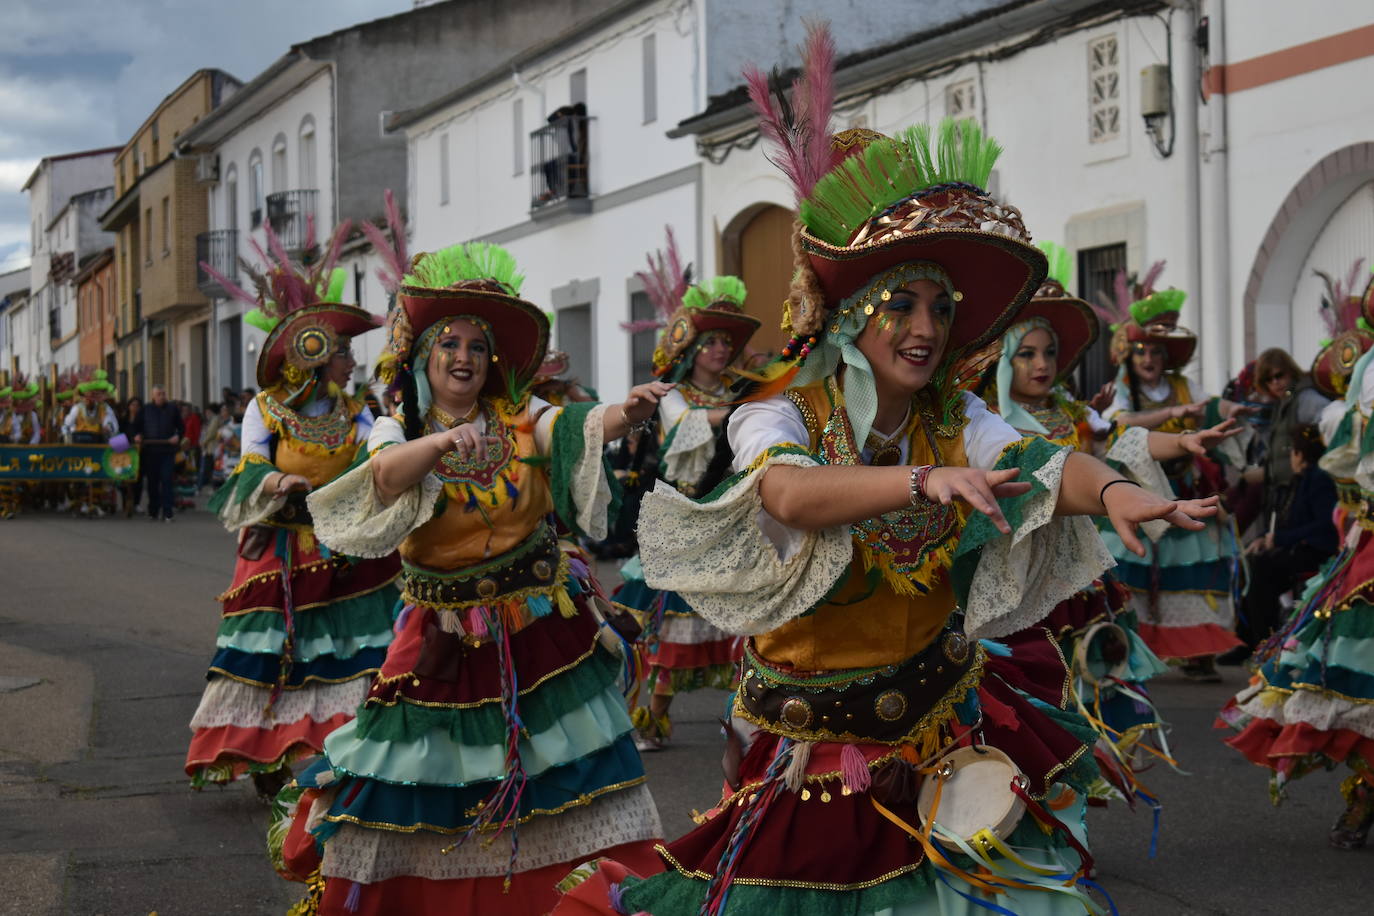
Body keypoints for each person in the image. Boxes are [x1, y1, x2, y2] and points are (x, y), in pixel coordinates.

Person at [565, 42, 1220, 912]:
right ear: (847, 318)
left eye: (942, 309)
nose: (927, 328)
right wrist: (920, 485)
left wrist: (1118, 494)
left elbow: (1040, 461)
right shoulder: (783, 412)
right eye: (902, 305)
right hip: (818, 742)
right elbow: (791, 494)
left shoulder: (955, 420)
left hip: (943, 717)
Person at [272, 241, 665, 916]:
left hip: (542, 631)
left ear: (493, 363)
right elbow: (388, 476)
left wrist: (624, 413)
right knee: (421, 780)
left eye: (477, 347)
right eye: (448, 344)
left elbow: (572, 427)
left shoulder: (521, 419)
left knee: (563, 773)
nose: (463, 357)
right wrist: (441, 444)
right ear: (423, 358)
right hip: (445, 640)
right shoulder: (397, 427)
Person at [973, 242, 1236, 809]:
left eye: (1050, 353)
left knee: (1080, 695)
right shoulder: (984, 423)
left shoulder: (1072, 415)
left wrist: (1182, 441)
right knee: (1016, 703)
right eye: (1027, 354)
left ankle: (1066, 810)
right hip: (1012, 585)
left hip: (1075, 587)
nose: (1042, 365)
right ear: (1001, 359)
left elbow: (1126, 444)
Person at [185, 222, 400, 800]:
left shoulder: (359, 411)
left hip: (345, 542)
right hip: (283, 546)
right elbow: (247, 465)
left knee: (348, 653)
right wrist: (280, 478)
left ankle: (335, 748)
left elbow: (376, 460)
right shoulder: (267, 409)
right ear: (313, 355)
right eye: (343, 352)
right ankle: (269, 753)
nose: (352, 361)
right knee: (277, 654)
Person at [1220, 290, 1374, 848]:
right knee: (1358, 672)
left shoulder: (1316, 402)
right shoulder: (1354, 384)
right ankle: (1366, 791)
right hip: (1366, 544)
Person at [616, 236, 760, 750]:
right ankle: (652, 720)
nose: (720, 349)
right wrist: (744, 413)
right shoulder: (674, 394)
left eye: (726, 341)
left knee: (744, 623)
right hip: (684, 518)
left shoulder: (740, 391)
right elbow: (682, 430)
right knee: (674, 626)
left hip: (732, 516)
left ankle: (749, 722)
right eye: (711, 341)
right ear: (692, 347)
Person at [1096, 267, 1250, 679]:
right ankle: (1124, 650)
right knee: (1132, 573)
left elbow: (1213, 407)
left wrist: (1233, 409)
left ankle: (1199, 653)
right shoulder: (1125, 388)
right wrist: (1171, 415)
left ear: (1168, 357)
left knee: (1196, 567)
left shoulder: (1185, 387)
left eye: (1157, 352)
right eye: (1143, 351)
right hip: (1138, 488)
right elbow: (1121, 421)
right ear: (1131, 354)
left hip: (1183, 485)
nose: (1149, 359)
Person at [62, 368, 120, 517]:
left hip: (97, 447)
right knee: (80, 477)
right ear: (84, 396)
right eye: (89, 395)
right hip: (80, 448)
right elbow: (66, 425)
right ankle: (81, 503)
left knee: (97, 475)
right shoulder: (77, 409)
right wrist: (68, 436)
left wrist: (108, 428)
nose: (91, 398)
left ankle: (95, 503)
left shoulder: (104, 408)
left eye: (94, 395)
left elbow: (113, 425)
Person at [134, 385, 184, 522]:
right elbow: (136, 426)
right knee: (152, 483)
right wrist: (137, 435)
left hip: (167, 451)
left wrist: (177, 436)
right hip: (150, 451)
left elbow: (181, 427)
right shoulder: (146, 409)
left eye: (163, 394)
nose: (162, 396)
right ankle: (153, 511)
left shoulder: (172, 409)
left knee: (167, 480)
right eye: (159, 394)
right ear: (153, 396)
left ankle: (168, 512)